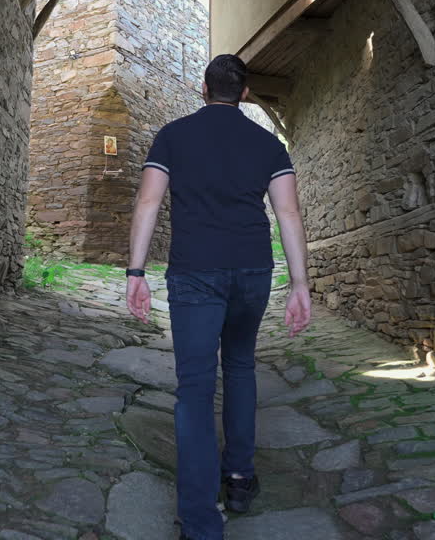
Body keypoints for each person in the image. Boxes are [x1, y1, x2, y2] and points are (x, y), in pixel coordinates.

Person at [124, 54, 313, 540]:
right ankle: (239, 478)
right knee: (242, 366)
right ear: (245, 93)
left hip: (195, 274)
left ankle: (201, 523)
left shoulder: (173, 136)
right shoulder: (269, 144)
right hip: (252, 271)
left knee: (194, 389)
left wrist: (136, 272)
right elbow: (288, 214)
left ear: (203, 88)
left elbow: (148, 201)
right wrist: (299, 285)